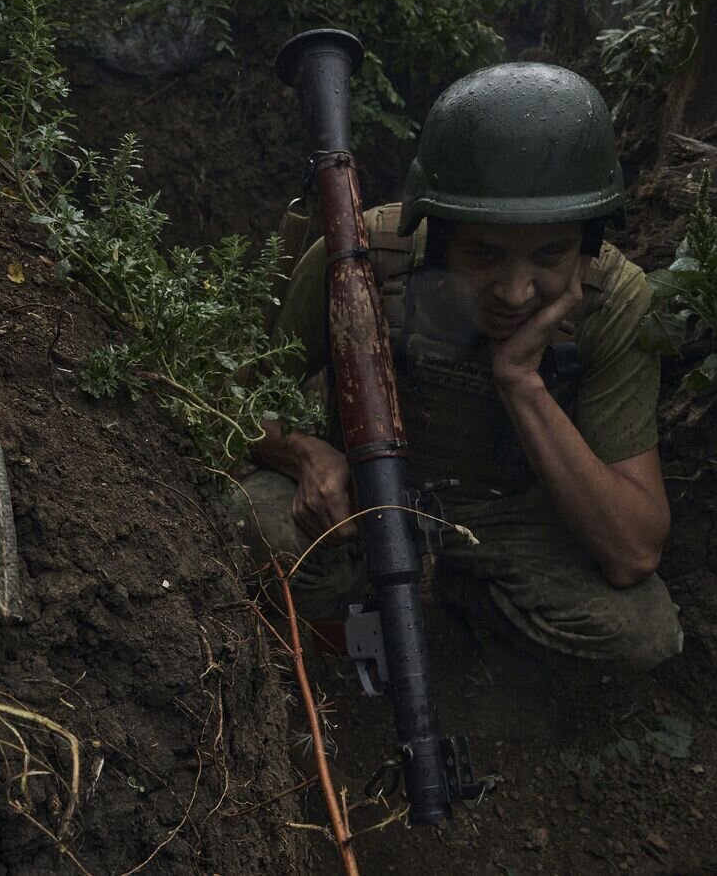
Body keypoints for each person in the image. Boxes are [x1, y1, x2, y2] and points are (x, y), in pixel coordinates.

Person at [236, 62, 683, 673]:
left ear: (588, 243)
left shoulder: (617, 303)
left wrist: (521, 382)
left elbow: (634, 552)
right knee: (245, 523)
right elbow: (236, 405)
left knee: (640, 631)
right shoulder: (359, 259)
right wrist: (306, 454)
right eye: (484, 254)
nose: (516, 292)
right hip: (364, 499)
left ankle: (472, 606)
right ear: (440, 237)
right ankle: (325, 646)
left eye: (550, 254)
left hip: (509, 519)